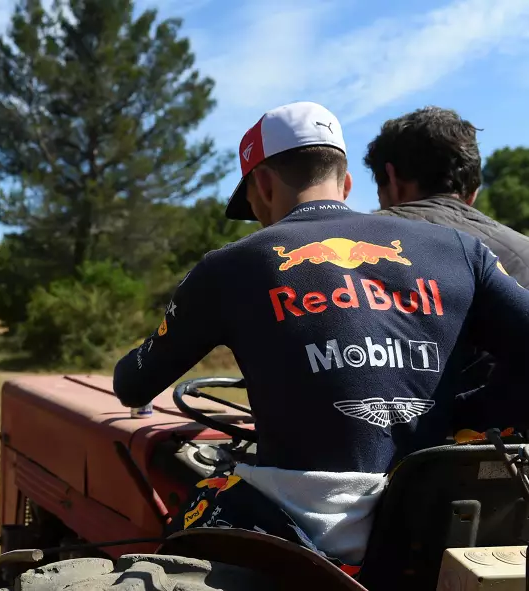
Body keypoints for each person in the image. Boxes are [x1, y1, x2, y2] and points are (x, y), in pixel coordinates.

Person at [112, 101, 529, 572]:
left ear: (263, 185)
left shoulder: (230, 266)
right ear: (346, 182)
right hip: (431, 523)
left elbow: (133, 384)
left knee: (187, 517)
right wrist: (462, 411)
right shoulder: (460, 250)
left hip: (302, 538)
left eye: (251, 201)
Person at [364, 106, 529, 437]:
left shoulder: (352, 246)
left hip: (392, 466)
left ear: (392, 179)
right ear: (473, 191)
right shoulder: (522, 251)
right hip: (513, 470)